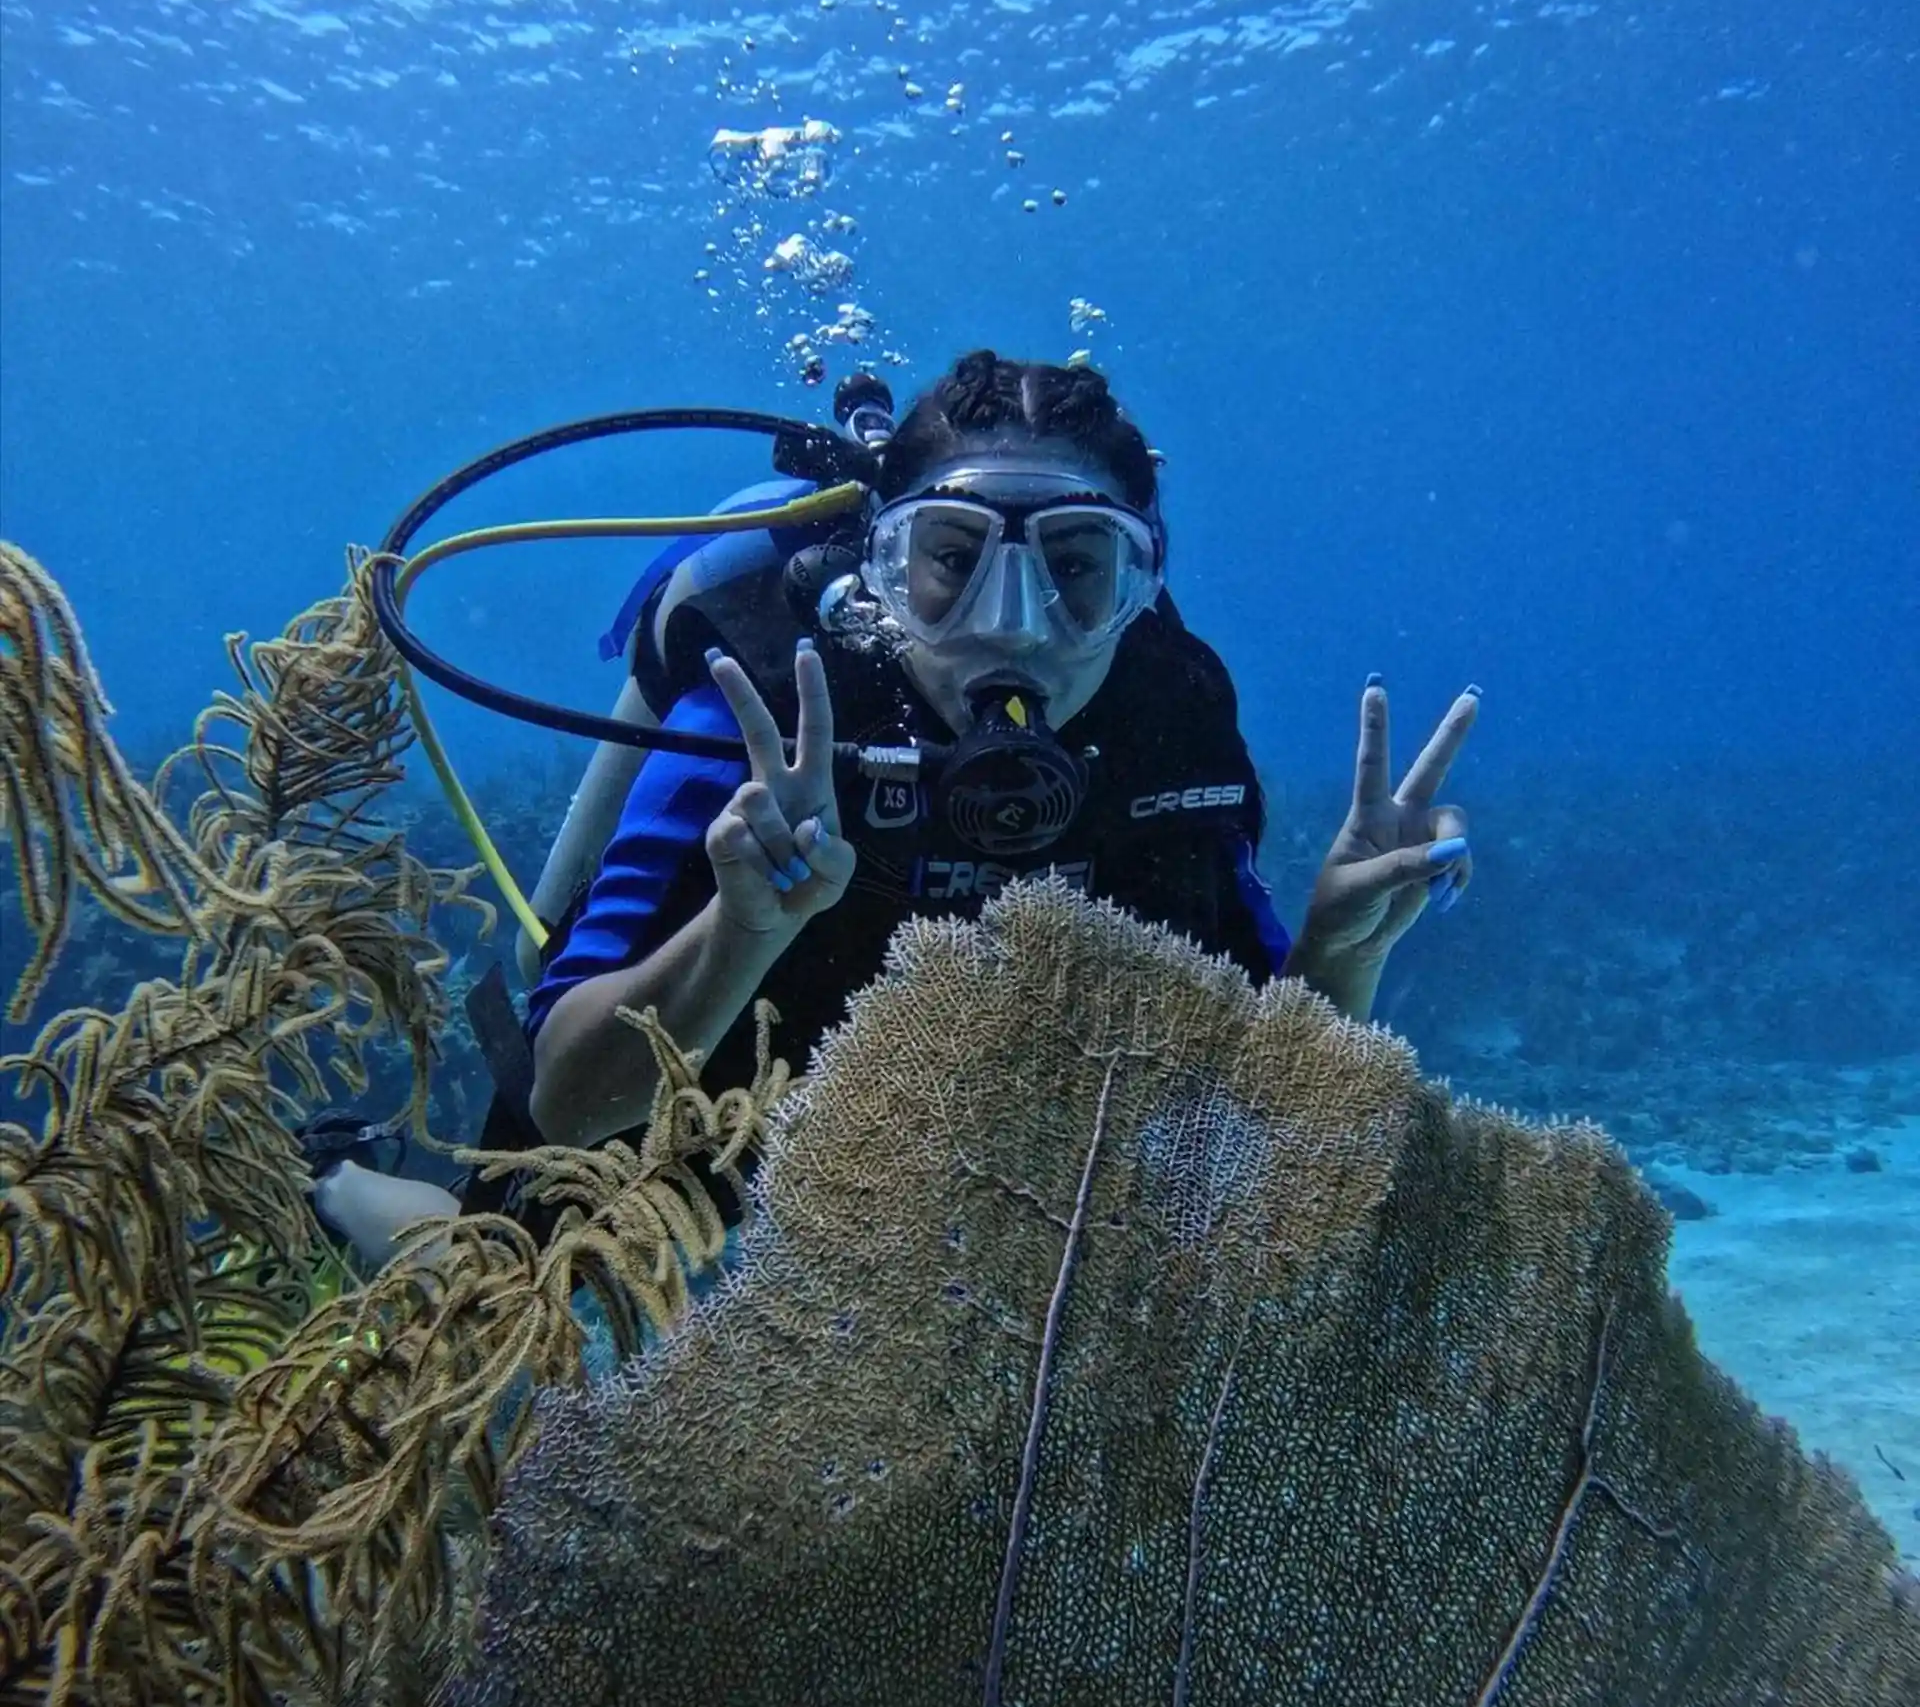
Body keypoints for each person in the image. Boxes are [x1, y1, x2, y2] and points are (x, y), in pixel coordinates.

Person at [312, 350, 1475, 1262]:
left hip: (996, 1155)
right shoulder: (771, 703)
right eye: (952, 559)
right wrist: (742, 930)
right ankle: (331, 1171)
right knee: (492, 1269)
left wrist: (1341, 950)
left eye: (1075, 566)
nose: (1011, 624)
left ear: (1142, 583)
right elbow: (570, 1103)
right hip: (729, 1087)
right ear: (883, 569)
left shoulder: (1170, 717)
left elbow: (1261, 1107)